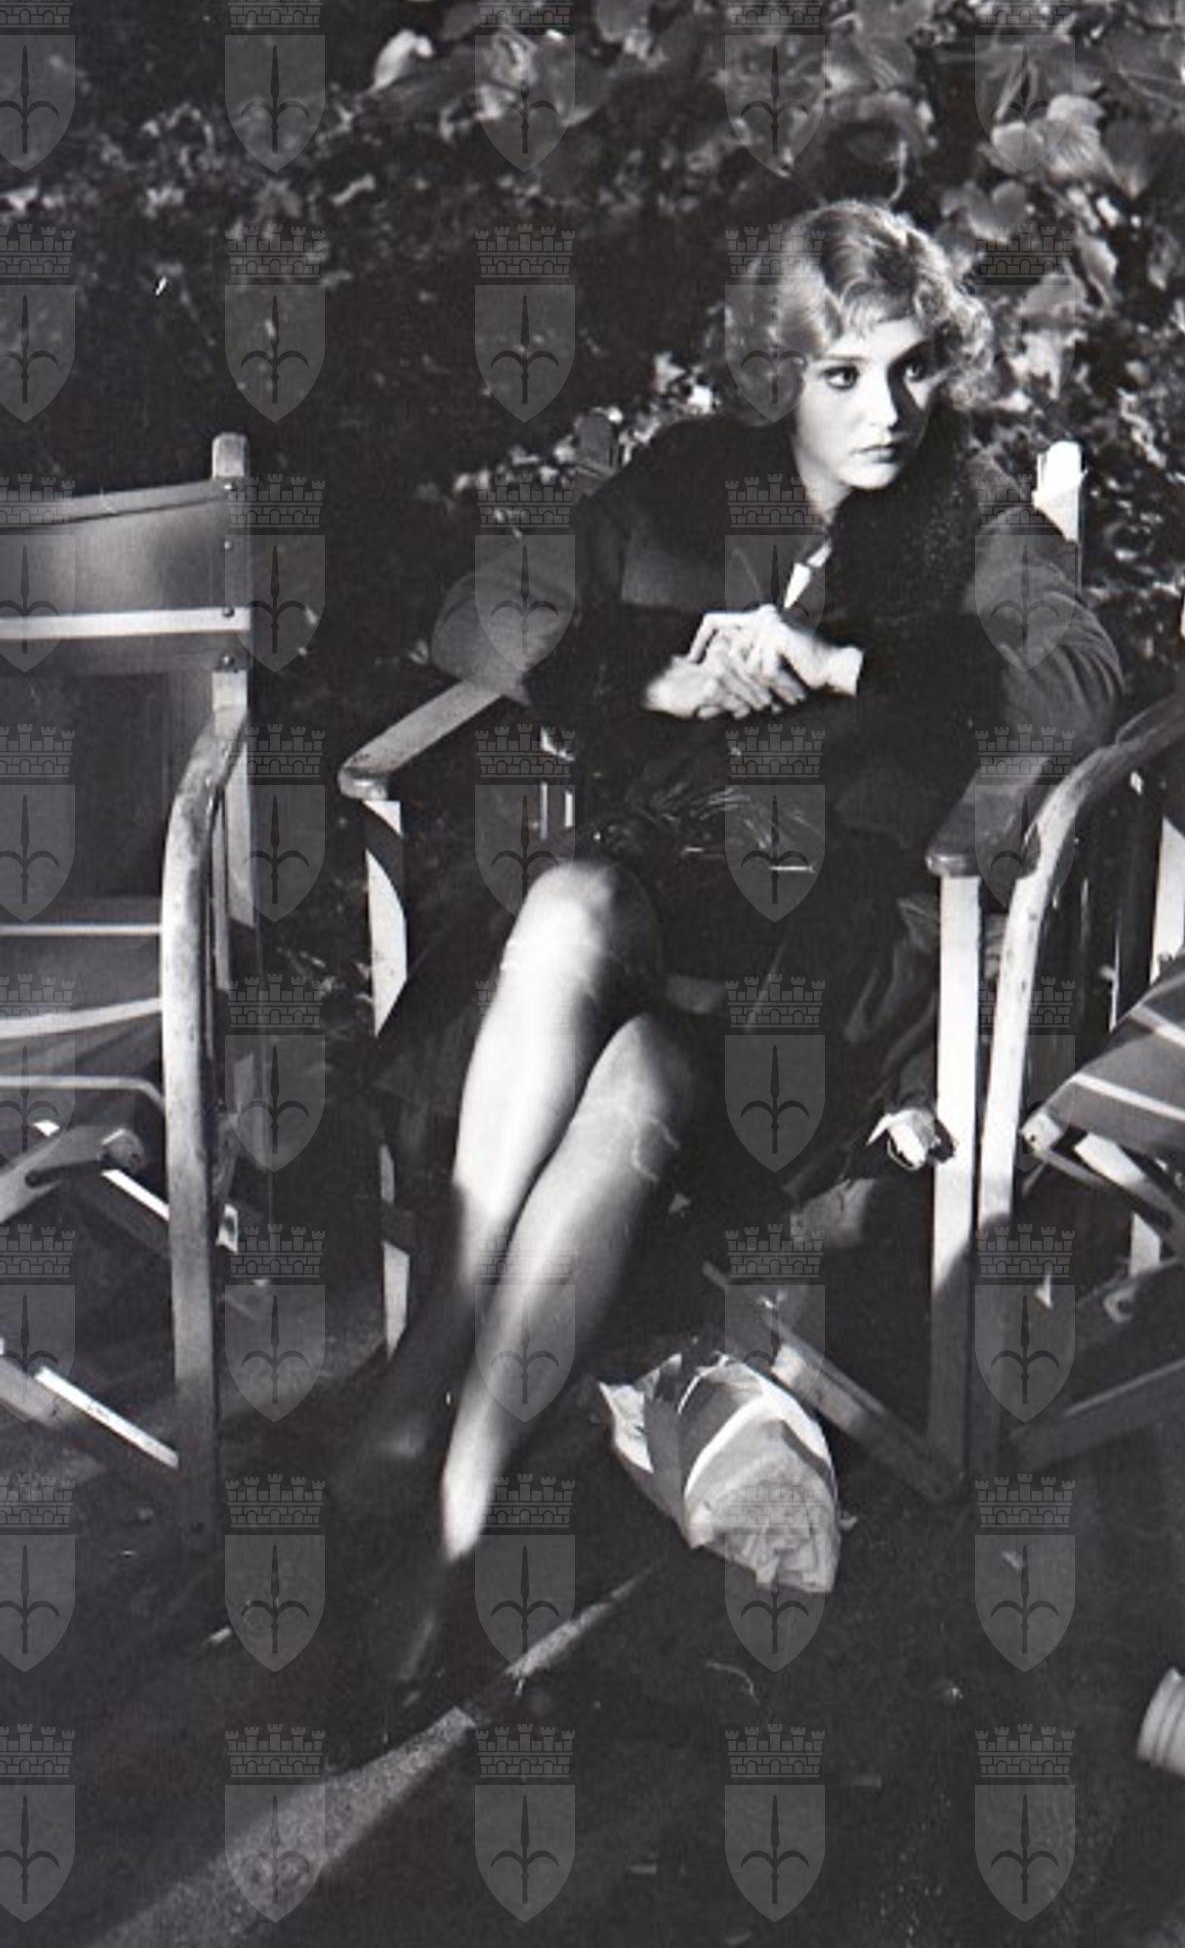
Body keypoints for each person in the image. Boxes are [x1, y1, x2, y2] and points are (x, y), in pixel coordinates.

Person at [329, 200, 1123, 1748]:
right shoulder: (689, 481)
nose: (886, 410)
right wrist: (661, 665)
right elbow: (478, 618)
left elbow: (1085, 676)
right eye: (842, 374)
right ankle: (426, 1380)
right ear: (780, 374)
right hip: (656, 900)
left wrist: (846, 664)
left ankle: (448, 1519)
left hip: (822, 974)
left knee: (640, 1073)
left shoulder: (968, 515)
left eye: (910, 368)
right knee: (570, 902)